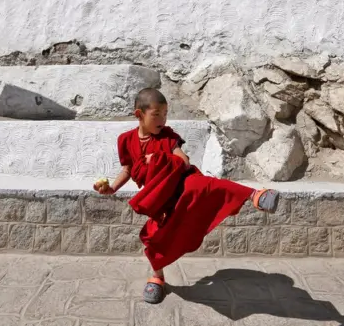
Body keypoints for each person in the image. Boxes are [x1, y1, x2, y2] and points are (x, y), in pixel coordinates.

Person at [93, 88, 279, 304]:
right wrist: (112, 188)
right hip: (159, 197)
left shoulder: (169, 137)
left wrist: (158, 158)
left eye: (165, 113)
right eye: (156, 114)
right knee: (153, 239)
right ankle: (157, 278)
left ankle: (254, 195)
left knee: (204, 185)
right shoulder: (125, 140)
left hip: (180, 183)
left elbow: (184, 161)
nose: (162, 119)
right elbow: (127, 169)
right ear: (139, 115)